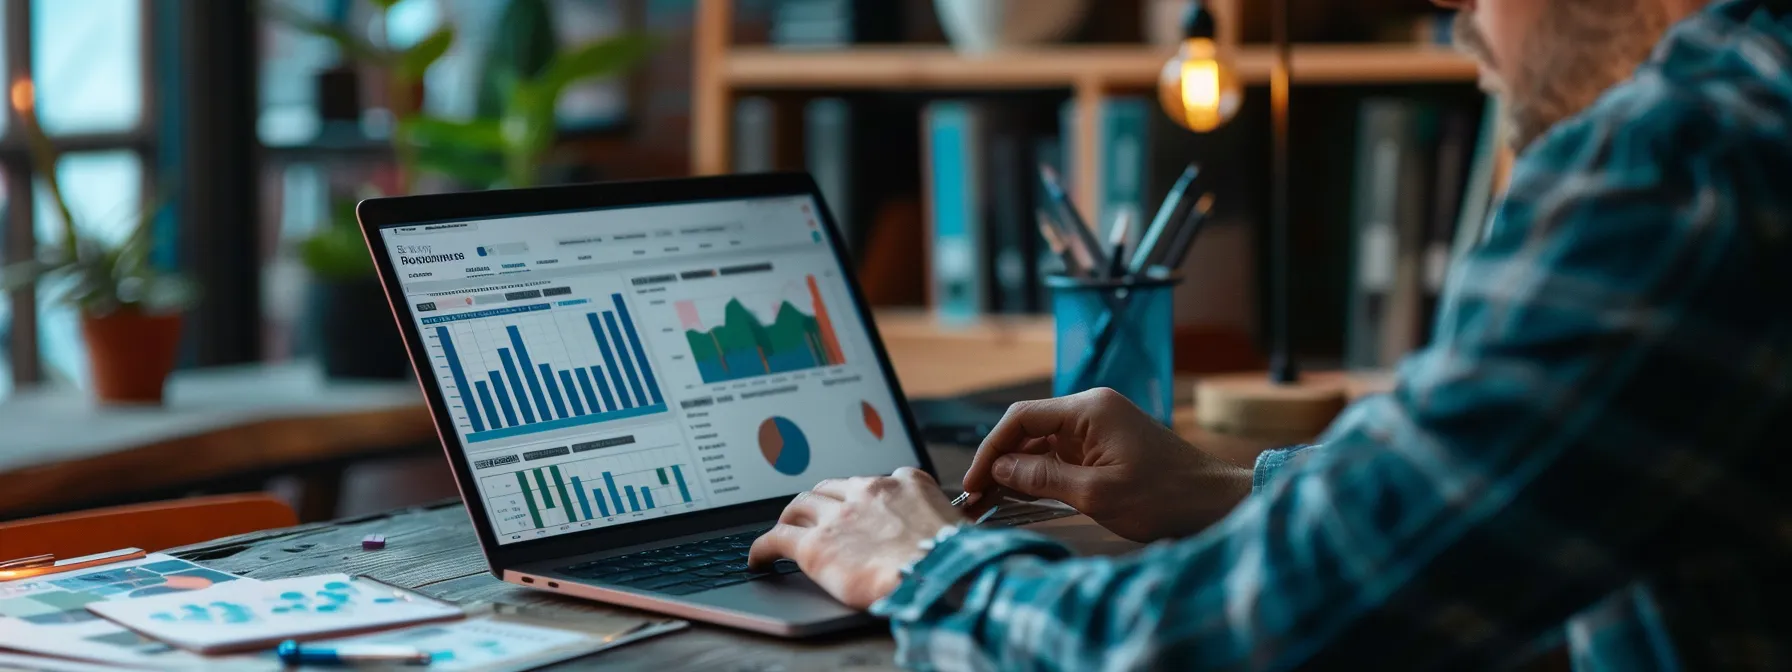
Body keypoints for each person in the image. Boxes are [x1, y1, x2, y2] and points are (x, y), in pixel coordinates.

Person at [747, 0, 1792, 668]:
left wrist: (920, 567)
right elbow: (1533, 491)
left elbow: (1234, 644)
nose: (1452, 13)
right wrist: (1224, 490)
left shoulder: (1686, 168)